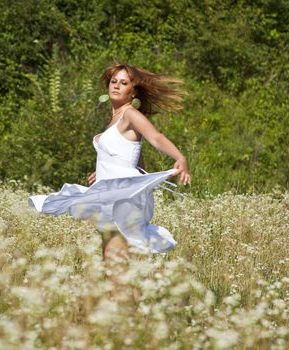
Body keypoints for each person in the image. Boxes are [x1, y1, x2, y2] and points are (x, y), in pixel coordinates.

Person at [29, 63, 190, 300]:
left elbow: (155, 137)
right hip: (110, 193)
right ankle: (135, 316)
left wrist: (180, 157)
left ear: (133, 92)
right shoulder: (113, 119)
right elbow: (137, 161)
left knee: (115, 264)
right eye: (114, 81)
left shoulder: (130, 114)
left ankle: (127, 320)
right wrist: (103, 172)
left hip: (120, 199)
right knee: (114, 264)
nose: (117, 85)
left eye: (124, 83)